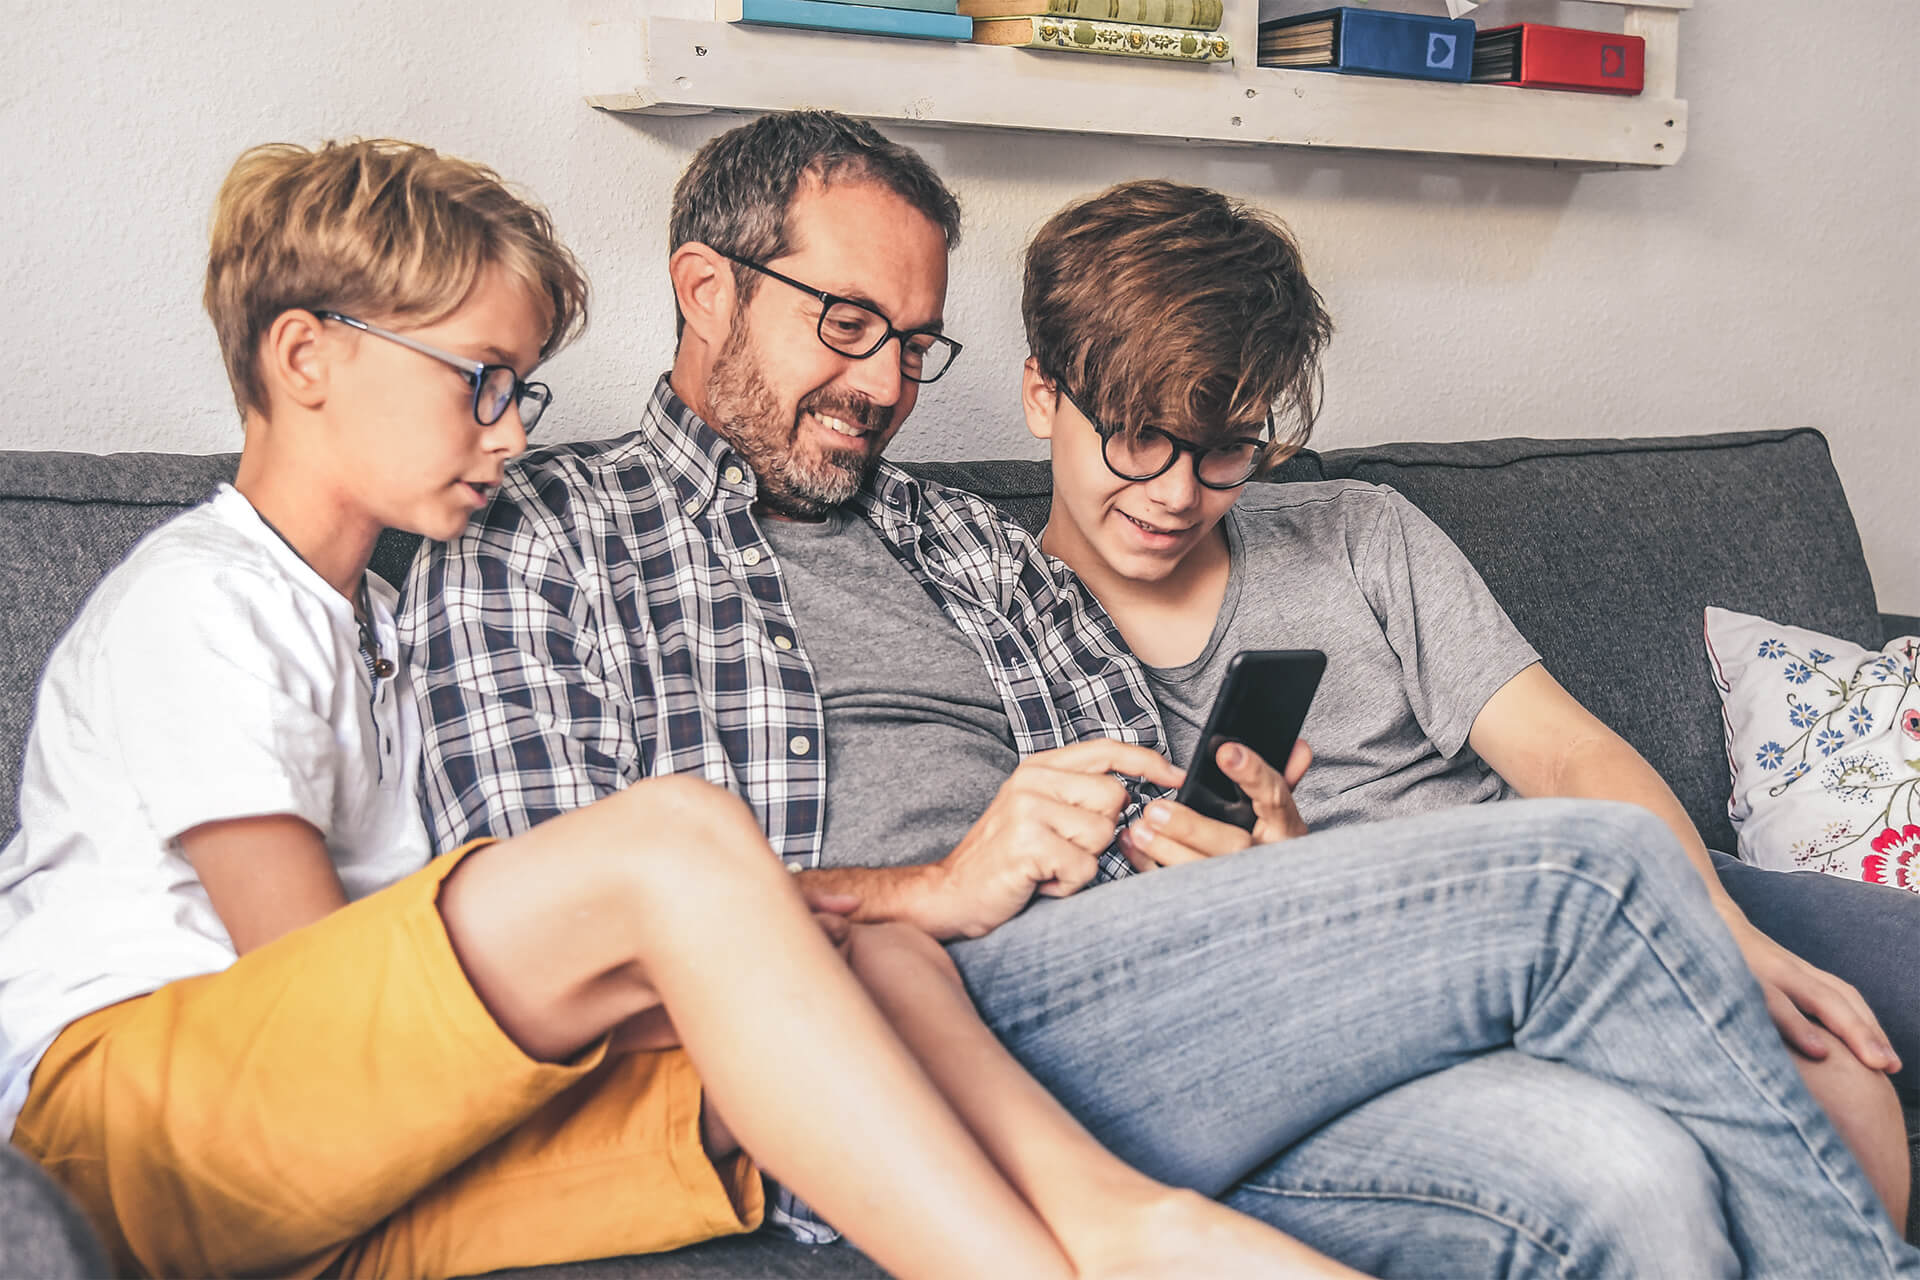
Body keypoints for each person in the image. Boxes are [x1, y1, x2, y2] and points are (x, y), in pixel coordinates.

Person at [406, 109, 1920, 1277]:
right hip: (879, 1055)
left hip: (1137, 1005)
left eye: (916, 343)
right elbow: (576, 940)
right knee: (1593, 869)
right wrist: (941, 882)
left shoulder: (962, 540)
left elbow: (1135, 780)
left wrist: (1240, 871)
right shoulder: (539, 541)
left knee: (1614, 1175)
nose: (882, 385)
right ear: (705, 290)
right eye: (845, 323)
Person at [0, 139, 1353, 1280]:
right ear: (306, 356)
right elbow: (329, 995)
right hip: (139, 1132)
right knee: (681, 844)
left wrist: (854, 939)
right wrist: (827, 918)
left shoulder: (365, 624)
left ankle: (1121, 1231)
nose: (514, 428)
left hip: (332, 1163)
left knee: (872, 985)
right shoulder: (208, 601)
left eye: (520, 390)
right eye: (479, 380)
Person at [1017, 177, 1918, 1225]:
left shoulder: (1357, 530)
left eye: (1226, 446)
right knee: (1836, 1081)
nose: (1178, 491)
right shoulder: (1019, 638)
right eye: (1137, 436)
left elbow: (1570, 755)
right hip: (1424, 963)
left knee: (1850, 1048)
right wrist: (1274, 882)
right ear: (1042, 393)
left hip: (1612, 873)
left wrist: (1718, 929)